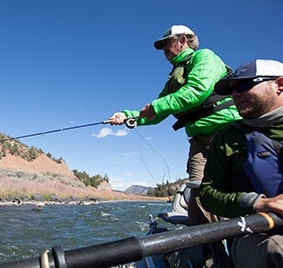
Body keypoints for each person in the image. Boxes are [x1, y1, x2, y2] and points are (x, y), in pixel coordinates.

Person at [108, 24, 241, 225]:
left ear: (182, 41)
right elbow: (156, 113)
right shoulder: (172, 80)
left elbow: (197, 91)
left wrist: (157, 106)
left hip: (228, 132)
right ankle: (206, 250)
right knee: (197, 192)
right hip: (199, 142)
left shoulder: (204, 57)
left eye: (166, 43)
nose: (163, 49)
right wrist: (127, 116)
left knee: (241, 189)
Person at [199, 59, 283, 267]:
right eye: (233, 89)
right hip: (252, 233)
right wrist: (259, 203)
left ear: (279, 85)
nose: (235, 94)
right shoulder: (226, 139)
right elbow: (208, 194)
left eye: (245, 86)